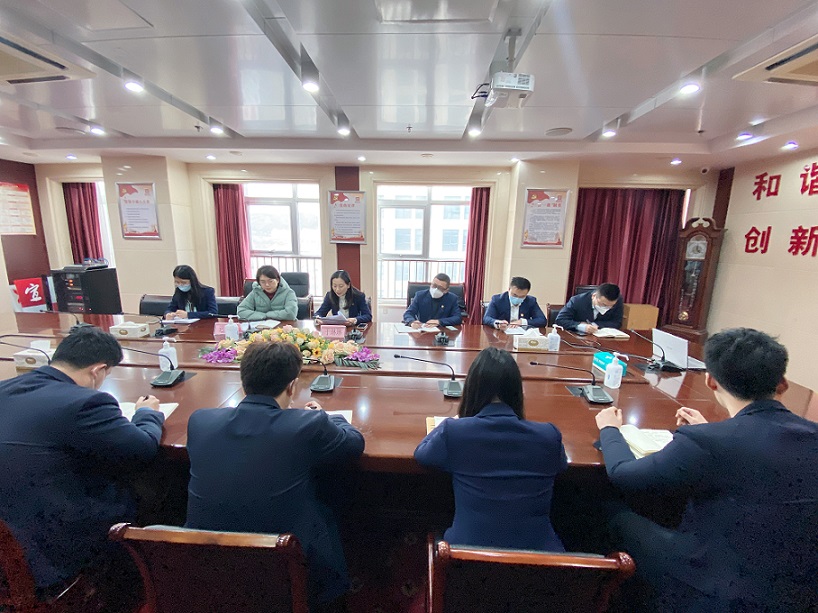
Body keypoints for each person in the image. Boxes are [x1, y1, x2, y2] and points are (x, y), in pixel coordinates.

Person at [594, 328, 818, 612]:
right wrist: (711, 431)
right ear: (783, 384)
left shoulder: (707, 441)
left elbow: (624, 475)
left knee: (615, 514)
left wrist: (610, 430)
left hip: (718, 587)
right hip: (799, 589)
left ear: (711, 381)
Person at [185, 341, 365, 608]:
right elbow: (353, 445)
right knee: (328, 502)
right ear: (292, 386)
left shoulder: (200, 421)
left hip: (205, 565)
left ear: (243, 382)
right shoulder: (308, 424)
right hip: (282, 565)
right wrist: (331, 417)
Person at [0, 327, 164, 595]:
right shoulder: (86, 402)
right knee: (156, 485)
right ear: (98, 370)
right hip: (50, 545)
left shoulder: (5, 388)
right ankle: (141, 583)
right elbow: (142, 449)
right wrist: (147, 414)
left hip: (9, 535)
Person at [414, 347, 567, 550]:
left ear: (471, 390)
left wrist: (452, 422)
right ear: (517, 392)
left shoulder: (455, 431)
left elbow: (421, 454)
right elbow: (561, 465)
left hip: (467, 558)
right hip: (540, 561)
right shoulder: (549, 435)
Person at [483, 276, 547, 329]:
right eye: (514, 295)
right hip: (501, 335)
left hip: (522, 335)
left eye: (522, 296)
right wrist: (498, 323)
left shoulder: (531, 301)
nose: (517, 298)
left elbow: (542, 320)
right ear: (509, 289)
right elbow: (487, 318)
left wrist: (522, 322)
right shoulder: (497, 300)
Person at [555, 282, 623, 332]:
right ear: (594, 296)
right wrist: (581, 326)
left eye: (611, 305)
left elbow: (617, 322)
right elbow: (560, 320)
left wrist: (594, 325)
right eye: (604, 305)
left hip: (603, 339)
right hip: (577, 337)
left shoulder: (618, 301)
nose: (607, 308)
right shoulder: (577, 301)